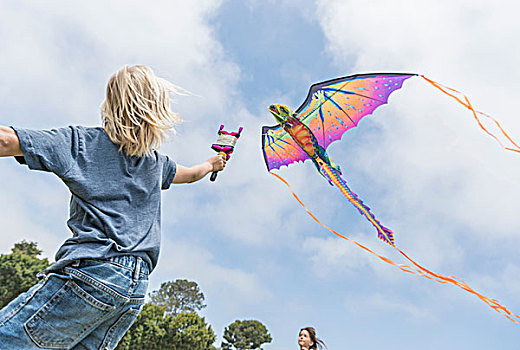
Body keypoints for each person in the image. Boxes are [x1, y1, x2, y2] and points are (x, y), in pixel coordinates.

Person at [0, 65, 226, 350]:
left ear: (110, 104)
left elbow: (6, 140)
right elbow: (191, 174)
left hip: (93, 271)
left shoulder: (81, 144)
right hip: (132, 291)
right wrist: (212, 164)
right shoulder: (156, 164)